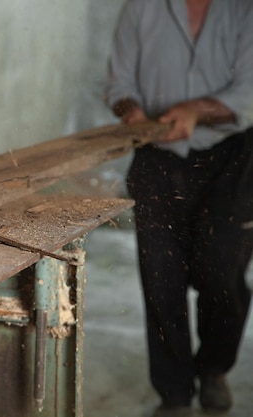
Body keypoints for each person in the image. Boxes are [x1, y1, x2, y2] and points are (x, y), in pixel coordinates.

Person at [106, 0, 253, 415]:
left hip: (231, 158)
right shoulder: (141, 8)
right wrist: (132, 114)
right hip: (156, 158)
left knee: (223, 269)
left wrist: (194, 111)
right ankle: (174, 393)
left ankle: (214, 370)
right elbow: (119, 85)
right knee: (160, 278)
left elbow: (248, 91)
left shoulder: (244, 11)